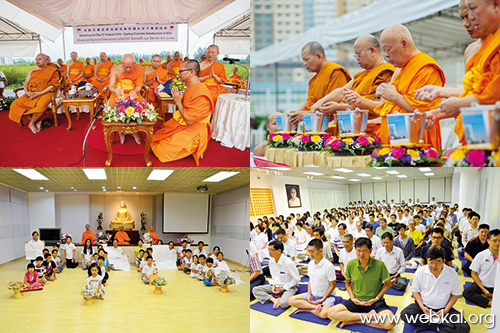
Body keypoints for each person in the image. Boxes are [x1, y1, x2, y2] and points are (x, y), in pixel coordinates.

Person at [421, 0, 500, 145]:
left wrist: (460, 103)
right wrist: (439, 106)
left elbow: (493, 93)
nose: (468, 20)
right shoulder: (476, 49)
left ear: (496, 5)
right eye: (463, 16)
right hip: (480, 129)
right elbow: (479, 92)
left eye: (473, 9)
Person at [371, 24, 445, 149]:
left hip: (416, 144)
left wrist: (396, 97)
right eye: (384, 50)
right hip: (394, 141)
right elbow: (387, 107)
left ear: (404, 44)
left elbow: (425, 113)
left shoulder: (426, 68)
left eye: (389, 49)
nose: (386, 55)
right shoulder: (399, 69)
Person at [309, 35, 395, 132]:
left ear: (372, 51)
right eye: (355, 55)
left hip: (369, 130)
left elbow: (379, 106)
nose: (357, 59)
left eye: (359, 55)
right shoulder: (360, 75)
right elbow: (342, 91)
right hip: (348, 126)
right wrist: (320, 102)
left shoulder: (386, 72)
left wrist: (340, 107)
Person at [151, 60, 214, 165]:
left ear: (191, 72)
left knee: (161, 151)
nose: (178, 74)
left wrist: (178, 102)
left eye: (181, 71)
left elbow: (190, 122)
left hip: (194, 130)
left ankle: (195, 148)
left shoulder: (201, 93)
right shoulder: (192, 87)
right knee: (156, 139)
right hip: (184, 124)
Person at [328, 237, 396, 330]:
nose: (361, 254)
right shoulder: (351, 264)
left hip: (375, 302)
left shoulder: (379, 265)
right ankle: (367, 316)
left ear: (371, 250)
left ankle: (355, 320)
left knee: (390, 323)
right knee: (331, 313)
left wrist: (376, 298)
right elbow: (347, 283)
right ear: (355, 250)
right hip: (356, 301)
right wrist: (352, 298)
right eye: (358, 251)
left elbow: (388, 284)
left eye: (364, 251)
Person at [401, 246, 470, 333]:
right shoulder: (420, 271)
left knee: (464, 328)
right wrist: (422, 307)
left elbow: (455, 295)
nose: (434, 266)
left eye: (438, 262)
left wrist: (444, 311)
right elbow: (415, 292)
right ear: (427, 260)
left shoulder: (452, 273)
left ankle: (429, 326)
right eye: (431, 262)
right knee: (405, 314)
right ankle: (439, 326)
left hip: (443, 309)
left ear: (443, 261)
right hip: (424, 308)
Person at [289, 41, 351, 124]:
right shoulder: (314, 79)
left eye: (307, 59)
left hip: (330, 128)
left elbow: (334, 106)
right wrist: (298, 112)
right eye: (303, 60)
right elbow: (311, 103)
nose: (304, 64)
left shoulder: (335, 72)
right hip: (313, 127)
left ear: (318, 56)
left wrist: (305, 115)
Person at [9, 53, 60, 133]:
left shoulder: (52, 70)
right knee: (15, 105)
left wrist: (39, 93)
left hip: (47, 92)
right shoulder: (32, 70)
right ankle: (37, 121)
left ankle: (32, 123)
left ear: (46, 60)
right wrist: (27, 92)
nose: (37, 61)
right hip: (31, 92)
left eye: (39, 59)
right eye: (36, 59)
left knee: (41, 104)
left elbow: (53, 85)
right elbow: (26, 83)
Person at [288, 239, 337, 318]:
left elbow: (333, 285)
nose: (310, 254)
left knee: (324, 314)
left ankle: (308, 309)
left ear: (320, 251)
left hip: (327, 296)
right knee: (290, 300)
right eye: (309, 251)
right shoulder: (311, 263)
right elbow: (310, 280)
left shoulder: (328, 266)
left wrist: (322, 300)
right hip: (314, 295)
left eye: (312, 251)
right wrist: (309, 294)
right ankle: (315, 307)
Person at [107, 54, 144, 144]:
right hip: (119, 93)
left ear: (134, 64)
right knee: (116, 108)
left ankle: (135, 132)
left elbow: (139, 85)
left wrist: (135, 90)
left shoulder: (139, 69)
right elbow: (110, 86)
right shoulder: (115, 69)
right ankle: (121, 132)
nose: (127, 69)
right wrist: (115, 90)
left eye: (130, 67)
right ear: (122, 63)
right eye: (125, 67)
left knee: (137, 108)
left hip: (133, 92)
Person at [253, 240, 300, 309]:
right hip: (277, 286)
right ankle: (274, 300)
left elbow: (297, 279)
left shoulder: (288, 262)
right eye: (268, 250)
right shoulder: (271, 261)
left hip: (289, 286)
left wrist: (283, 288)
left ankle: (281, 296)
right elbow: (273, 276)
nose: (269, 252)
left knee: (283, 303)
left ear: (279, 250)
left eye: (272, 250)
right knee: (255, 290)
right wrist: (274, 285)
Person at [463, 229, 500, 308]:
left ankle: (489, 299)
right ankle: (492, 303)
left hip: (497, 286)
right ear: (488, 241)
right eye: (495, 240)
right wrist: (484, 290)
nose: (497, 243)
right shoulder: (481, 255)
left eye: (499, 241)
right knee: (467, 293)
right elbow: (474, 274)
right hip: (483, 285)